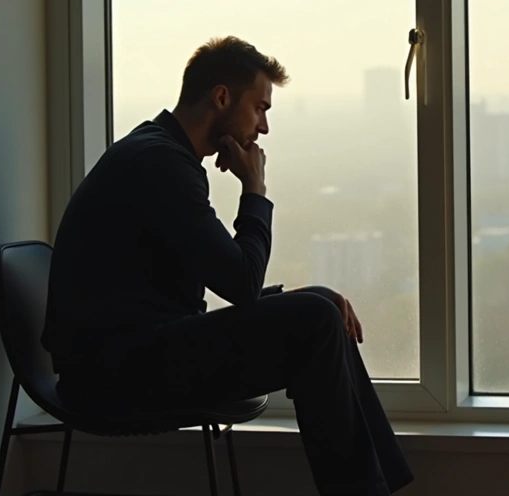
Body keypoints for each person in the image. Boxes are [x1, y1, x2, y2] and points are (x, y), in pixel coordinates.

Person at [41, 36, 413, 495]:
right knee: (316, 318)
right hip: (112, 376)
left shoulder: (159, 153)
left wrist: (295, 299)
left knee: (319, 304)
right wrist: (254, 188)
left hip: (133, 355)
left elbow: (231, 282)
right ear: (221, 97)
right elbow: (240, 282)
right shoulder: (161, 165)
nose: (264, 127)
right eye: (259, 108)